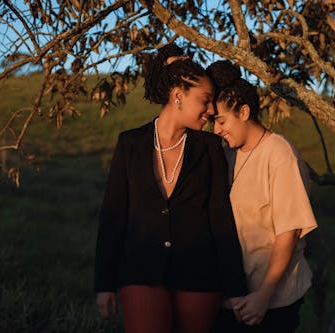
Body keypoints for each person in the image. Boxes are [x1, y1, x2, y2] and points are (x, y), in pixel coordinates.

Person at [94, 45, 247, 333]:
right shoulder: (130, 143)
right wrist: (104, 284)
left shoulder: (210, 148)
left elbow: (221, 220)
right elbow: (113, 217)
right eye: (206, 100)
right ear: (178, 96)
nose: (211, 110)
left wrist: (236, 288)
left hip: (200, 274)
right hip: (140, 271)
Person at [207, 61, 318, 333]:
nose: (217, 130)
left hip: (273, 300)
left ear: (244, 112)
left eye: (221, 121)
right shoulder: (228, 155)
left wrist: (264, 295)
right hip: (235, 297)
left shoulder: (279, 154)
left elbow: (289, 232)